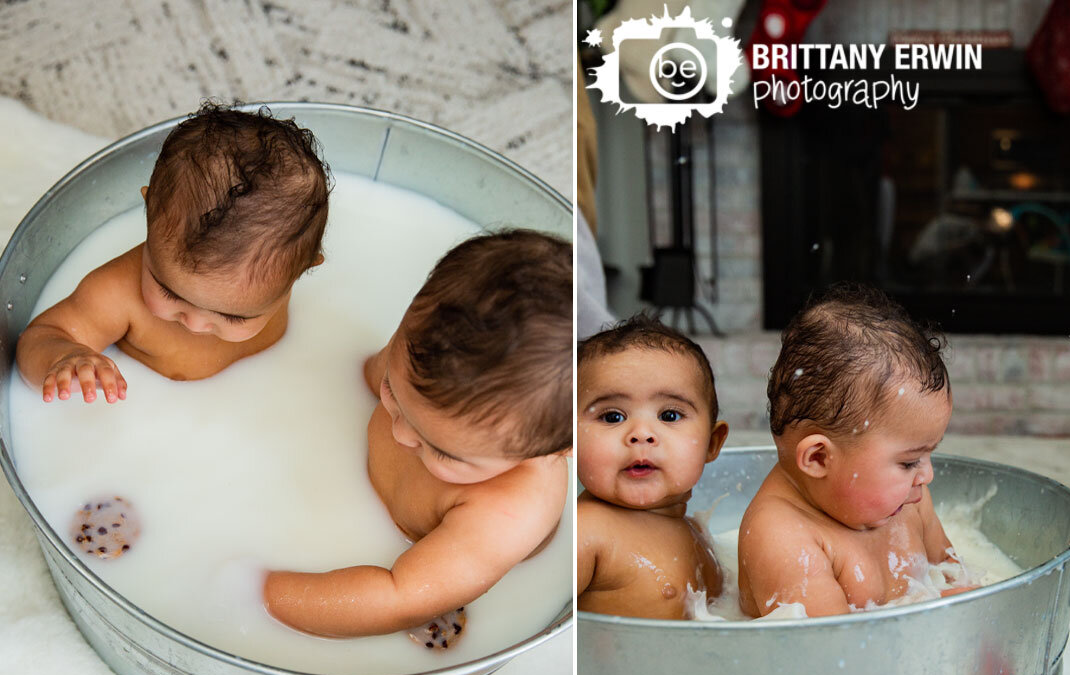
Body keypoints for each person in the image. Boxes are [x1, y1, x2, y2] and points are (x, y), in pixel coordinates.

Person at [264, 229, 572, 637]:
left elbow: (397, 599)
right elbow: (358, 376)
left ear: (553, 450)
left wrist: (260, 594)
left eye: (443, 451)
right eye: (393, 393)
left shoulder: (509, 514)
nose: (402, 435)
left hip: (427, 567)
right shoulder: (428, 348)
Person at [16, 103, 330, 400]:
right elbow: (40, 337)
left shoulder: (275, 265)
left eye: (233, 317)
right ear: (149, 210)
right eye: (168, 292)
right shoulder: (116, 293)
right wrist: (65, 358)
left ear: (301, 271)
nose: (194, 324)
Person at [739, 284, 963, 619]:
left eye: (928, 455)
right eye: (908, 462)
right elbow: (832, 658)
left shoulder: (908, 499)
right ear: (819, 458)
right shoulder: (783, 541)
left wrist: (962, 594)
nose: (926, 474)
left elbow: (952, 570)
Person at [577, 314, 729, 618]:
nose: (642, 433)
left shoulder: (695, 531)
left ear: (712, 444)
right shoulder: (588, 532)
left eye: (670, 415)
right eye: (612, 417)